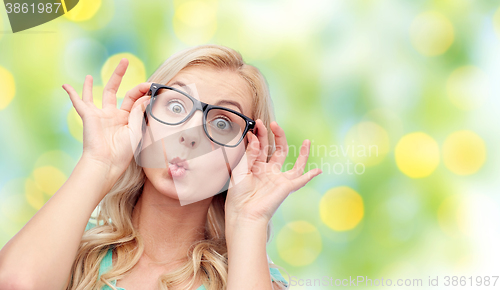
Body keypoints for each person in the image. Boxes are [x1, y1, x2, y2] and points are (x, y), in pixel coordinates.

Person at [0, 44, 322, 290]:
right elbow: (16, 284)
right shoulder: (69, 242)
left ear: (247, 154)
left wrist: (249, 219)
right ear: (144, 117)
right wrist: (98, 161)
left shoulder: (251, 275)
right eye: (177, 105)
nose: (189, 136)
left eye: (222, 123)